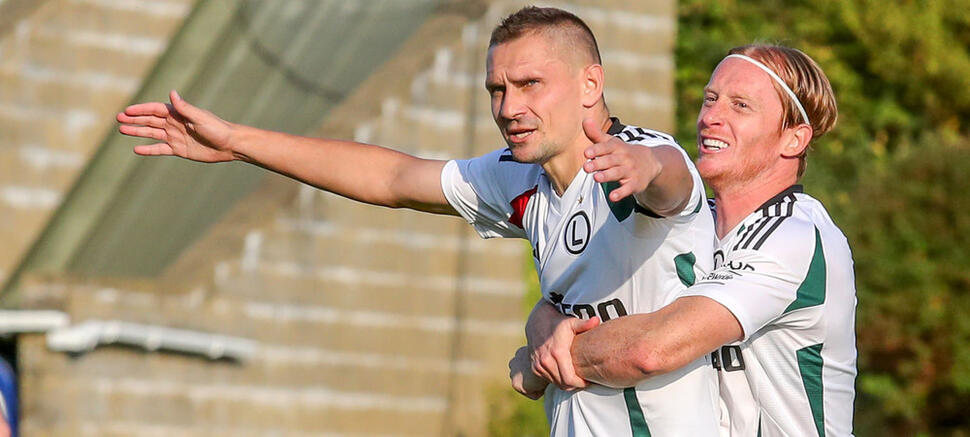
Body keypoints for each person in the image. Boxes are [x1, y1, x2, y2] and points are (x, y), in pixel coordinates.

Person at [118, 6, 720, 436]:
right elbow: (391, 179)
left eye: (530, 84)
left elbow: (673, 178)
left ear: (591, 84)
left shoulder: (635, 159)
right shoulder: (521, 179)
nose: (509, 108)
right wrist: (238, 144)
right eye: (497, 89)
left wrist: (645, 167)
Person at [522, 44, 857, 436]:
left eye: (741, 106)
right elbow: (575, 299)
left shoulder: (793, 236)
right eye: (710, 99)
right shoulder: (694, 221)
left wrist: (544, 359)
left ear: (794, 139)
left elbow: (650, 349)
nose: (711, 117)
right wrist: (544, 327)